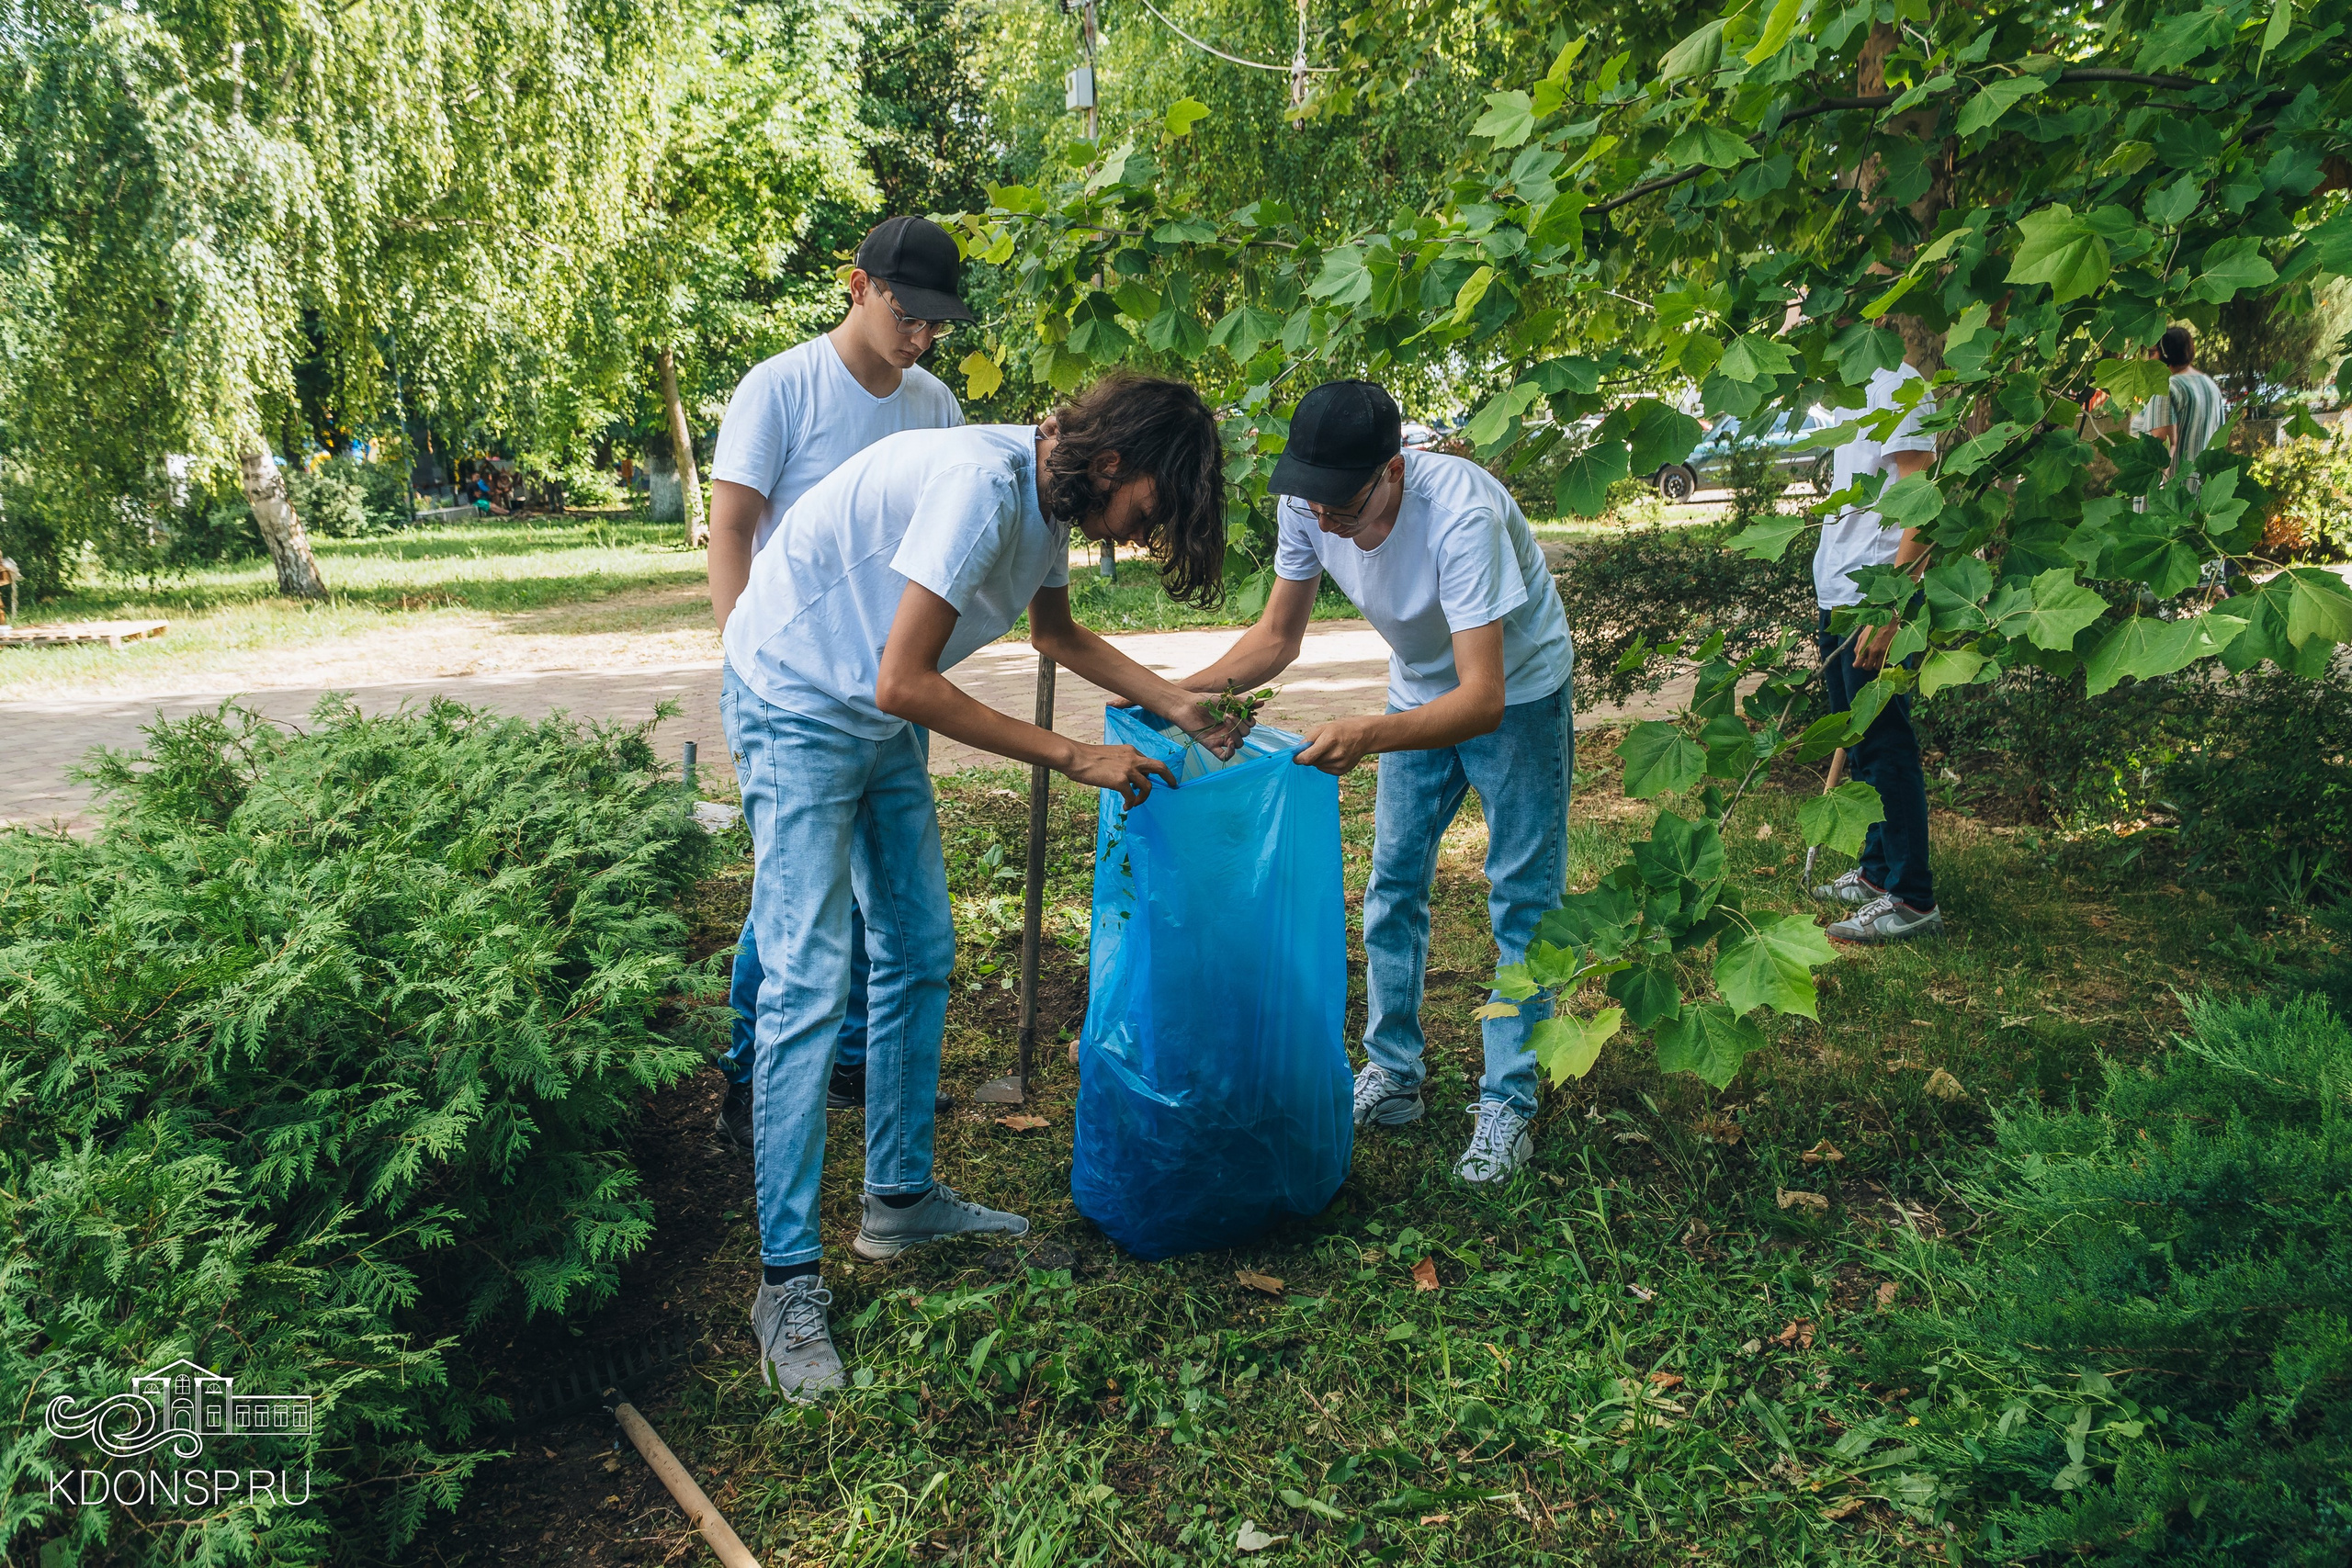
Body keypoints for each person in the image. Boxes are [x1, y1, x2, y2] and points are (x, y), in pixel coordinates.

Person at [720, 373, 1242, 1397]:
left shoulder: (1046, 489)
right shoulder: (981, 486)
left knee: (918, 947)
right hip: (793, 697)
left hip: (864, 707)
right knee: (805, 983)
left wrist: (1178, 703)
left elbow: (1058, 638)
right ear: (1109, 466)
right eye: (1150, 505)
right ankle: (783, 1283)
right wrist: (1070, 755)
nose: (1143, 532)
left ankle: (898, 1201)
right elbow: (904, 681)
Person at [1161, 378, 1574, 1185]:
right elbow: (1278, 637)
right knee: (1391, 884)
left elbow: (1482, 698)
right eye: (1310, 501)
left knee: (1522, 900)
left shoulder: (1462, 516)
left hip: (1517, 694)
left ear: (1393, 469)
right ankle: (1393, 1073)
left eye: (1341, 507)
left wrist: (1367, 736)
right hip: (1420, 688)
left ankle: (1510, 1102)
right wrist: (1176, 696)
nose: (1323, 519)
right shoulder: (1311, 499)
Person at [706, 217, 972, 1152]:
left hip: (893, 683)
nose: (922, 336)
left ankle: (862, 1061)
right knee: (791, 906)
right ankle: (748, 1074)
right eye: (910, 312)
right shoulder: (780, 388)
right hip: (790, 685)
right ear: (857, 286)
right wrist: (742, 655)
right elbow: (732, 529)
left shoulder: (935, 405)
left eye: (939, 322)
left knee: (887, 901)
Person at [1809, 358, 1944, 942]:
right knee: (1860, 748)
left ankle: (1912, 899)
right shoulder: (1844, 391)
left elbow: (1922, 498)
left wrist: (1892, 606)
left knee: (1886, 748)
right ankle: (1875, 872)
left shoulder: (1899, 386)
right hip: (1838, 595)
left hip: (1874, 600)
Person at [2141, 325, 2226, 485]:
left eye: (2152, 353)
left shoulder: (2166, 387)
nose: (2148, 360)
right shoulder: (2210, 385)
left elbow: (2162, 449)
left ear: (2165, 354)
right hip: (2202, 490)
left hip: (2173, 494)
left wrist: (2155, 498)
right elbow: (2219, 440)